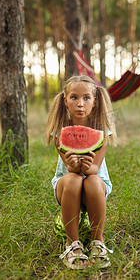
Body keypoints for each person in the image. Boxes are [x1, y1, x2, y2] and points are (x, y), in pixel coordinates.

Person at [46, 75, 117, 269]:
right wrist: (73, 165)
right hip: (67, 185)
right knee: (73, 179)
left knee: (91, 180)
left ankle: (97, 241)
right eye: (74, 98)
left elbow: (94, 169)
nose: (80, 104)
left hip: (96, 186)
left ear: (95, 102)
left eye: (86, 98)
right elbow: (71, 170)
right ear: (65, 100)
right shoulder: (59, 133)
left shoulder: (102, 131)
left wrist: (89, 167)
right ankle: (72, 244)